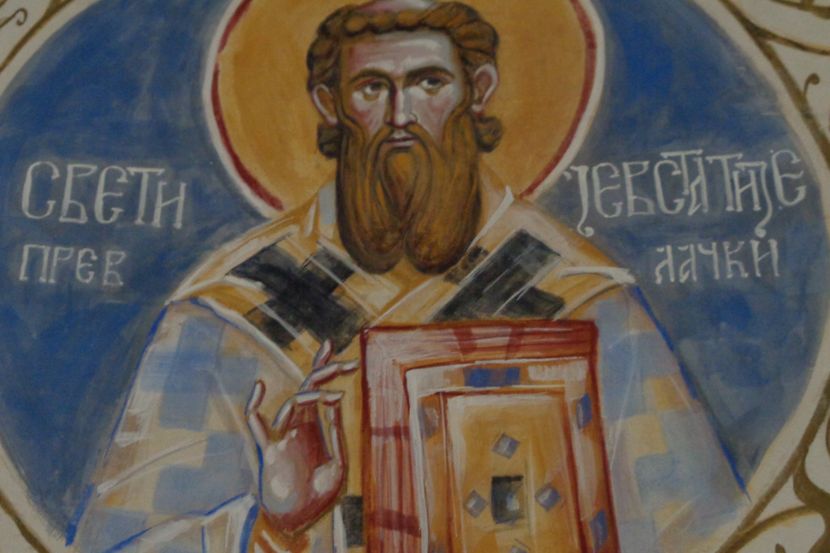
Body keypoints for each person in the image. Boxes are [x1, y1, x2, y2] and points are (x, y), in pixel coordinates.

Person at [76, 1, 747, 552]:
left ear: (477, 91)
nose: (401, 115)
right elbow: (126, 540)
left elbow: (694, 528)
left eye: (429, 82)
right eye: (373, 88)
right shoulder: (230, 314)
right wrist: (271, 527)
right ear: (331, 104)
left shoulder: (585, 302)